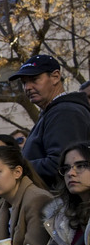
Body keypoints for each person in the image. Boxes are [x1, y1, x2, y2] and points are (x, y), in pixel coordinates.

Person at [11, 54, 90, 186]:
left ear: (55, 77)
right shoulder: (54, 112)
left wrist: (13, 167)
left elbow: (59, 164)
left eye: (34, 79)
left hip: (60, 201)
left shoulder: (65, 112)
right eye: (24, 82)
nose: (27, 87)